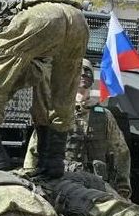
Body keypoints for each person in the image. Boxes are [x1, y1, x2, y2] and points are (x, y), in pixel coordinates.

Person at [0, 0, 89, 173]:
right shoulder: (0, 10)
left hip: (41, 19)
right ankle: (53, 159)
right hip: (78, 18)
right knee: (62, 88)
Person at [41, 59, 132, 197]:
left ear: (92, 79)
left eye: (88, 71)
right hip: (64, 182)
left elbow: (122, 152)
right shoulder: (58, 112)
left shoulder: (104, 115)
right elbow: (37, 147)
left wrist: (123, 187)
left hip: (96, 185)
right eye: (79, 70)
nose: (84, 74)